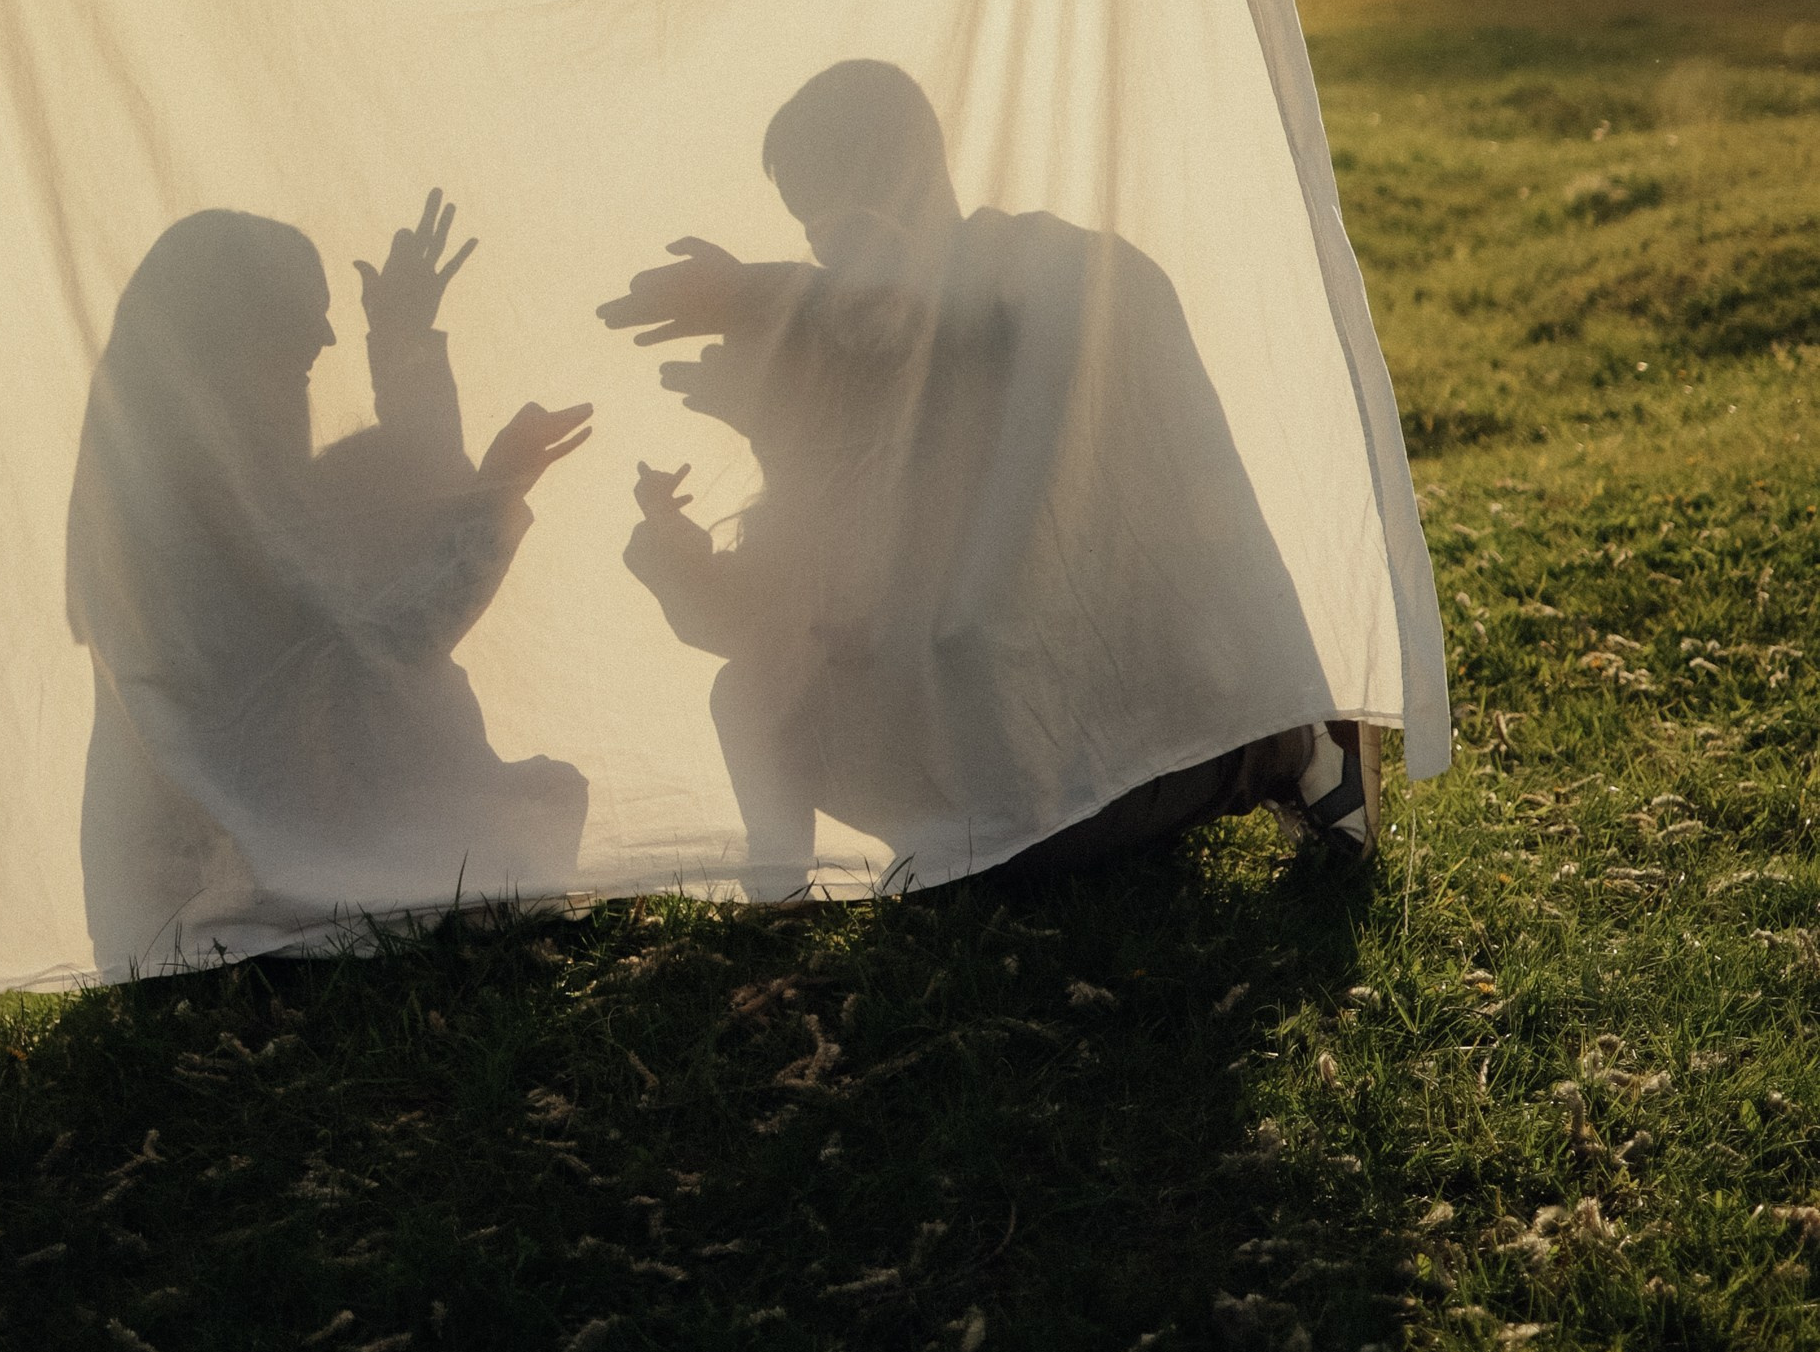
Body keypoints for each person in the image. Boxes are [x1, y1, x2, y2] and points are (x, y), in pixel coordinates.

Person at [602, 60, 1379, 892]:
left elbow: (963, 331)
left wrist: (761, 295)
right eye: (809, 227)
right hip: (967, 716)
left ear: (914, 174)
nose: (827, 247)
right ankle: (788, 897)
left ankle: (1277, 743)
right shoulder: (851, 345)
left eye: (842, 213)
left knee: (986, 734)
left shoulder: (1060, 273)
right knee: (759, 694)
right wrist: (693, 544)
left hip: (1115, 688)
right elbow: (797, 581)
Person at [71, 189, 590, 943]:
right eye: (299, 356)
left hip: (252, 876)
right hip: (224, 906)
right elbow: (383, 647)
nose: (324, 343)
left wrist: (408, 342)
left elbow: (405, 511)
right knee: (505, 829)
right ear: (215, 353)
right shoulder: (179, 519)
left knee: (517, 816)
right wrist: (498, 492)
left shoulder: (202, 488)